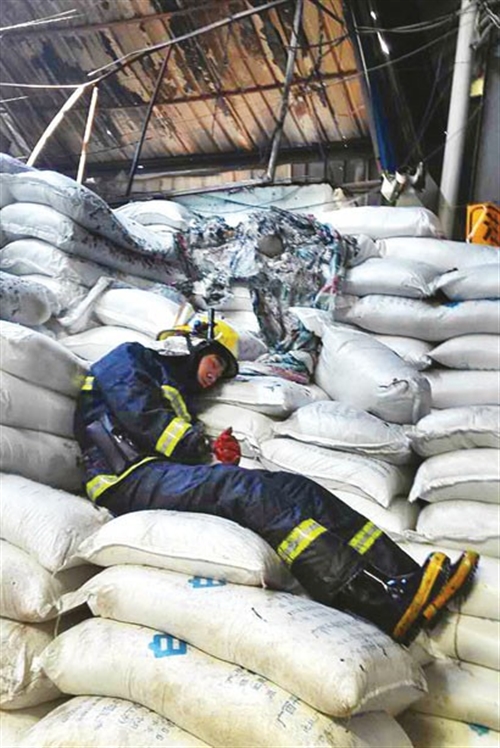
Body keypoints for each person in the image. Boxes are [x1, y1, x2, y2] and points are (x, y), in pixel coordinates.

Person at [74, 311, 479, 646]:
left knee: (298, 488)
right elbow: (143, 416)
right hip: (124, 479)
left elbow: (176, 445)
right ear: (194, 344)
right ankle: (377, 600)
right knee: (247, 489)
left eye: (222, 372)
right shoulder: (130, 356)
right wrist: (201, 447)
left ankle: (408, 578)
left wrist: (217, 455)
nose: (216, 375)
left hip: (156, 473)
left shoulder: (178, 392)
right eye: (216, 362)